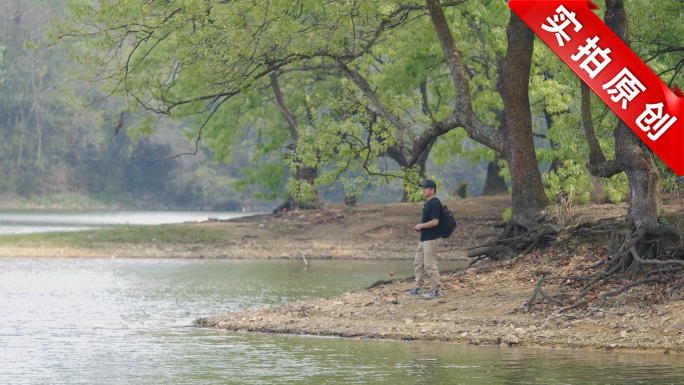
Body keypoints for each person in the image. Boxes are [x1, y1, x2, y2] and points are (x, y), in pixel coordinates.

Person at [407, 179, 443, 300]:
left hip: (431, 239)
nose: (423, 190)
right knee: (418, 263)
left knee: (430, 265)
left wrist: (421, 225)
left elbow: (435, 222)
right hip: (424, 239)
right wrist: (421, 228)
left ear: (432, 190)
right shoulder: (429, 203)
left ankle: (436, 290)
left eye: (425, 188)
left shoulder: (435, 203)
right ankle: (418, 288)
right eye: (423, 188)